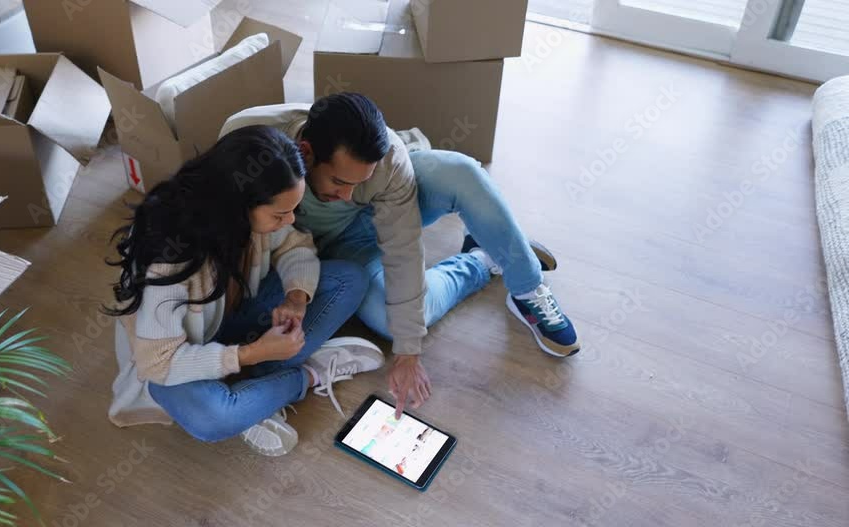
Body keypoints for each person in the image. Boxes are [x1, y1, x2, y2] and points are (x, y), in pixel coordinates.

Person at [220, 94, 580, 418]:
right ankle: (483, 258)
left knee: (463, 173)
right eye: (339, 183)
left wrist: (409, 354)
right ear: (306, 151)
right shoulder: (248, 142)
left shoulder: (388, 159)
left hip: (394, 205)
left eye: (359, 182)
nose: (348, 195)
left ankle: (527, 287)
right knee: (400, 320)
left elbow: (403, 249)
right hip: (333, 247)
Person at [104, 125, 384, 456]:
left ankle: (259, 389)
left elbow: (296, 244)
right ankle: (307, 375)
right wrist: (251, 354)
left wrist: (296, 299)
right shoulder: (172, 261)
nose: (290, 219)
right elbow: (157, 363)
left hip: (229, 321)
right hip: (171, 357)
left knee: (349, 279)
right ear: (236, 205)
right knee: (212, 418)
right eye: (280, 214)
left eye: (292, 209)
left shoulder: (244, 217)